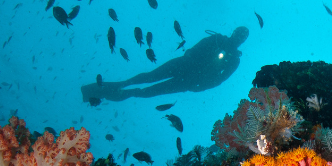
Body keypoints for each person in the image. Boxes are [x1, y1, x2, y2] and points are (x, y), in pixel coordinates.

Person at [81, 26, 249, 102]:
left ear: (243, 41)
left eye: (242, 37)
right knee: (149, 77)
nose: (238, 37)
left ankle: (121, 93)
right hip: (184, 65)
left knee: (151, 91)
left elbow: (219, 80)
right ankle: (110, 87)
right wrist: (190, 58)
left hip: (192, 80)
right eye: (239, 33)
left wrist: (200, 86)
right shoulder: (217, 38)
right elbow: (195, 48)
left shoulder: (234, 60)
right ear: (234, 32)